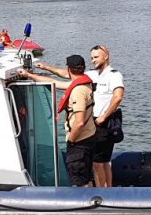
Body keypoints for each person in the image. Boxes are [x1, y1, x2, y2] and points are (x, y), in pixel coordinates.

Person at [35, 45, 124, 187]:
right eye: (92, 58)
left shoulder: (114, 75)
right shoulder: (92, 75)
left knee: (98, 163)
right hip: (94, 122)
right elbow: (66, 74)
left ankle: (103, 193)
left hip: (104, 121)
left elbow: (118, 97)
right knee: (103, 161)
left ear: (106, 56)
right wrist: (46, 67)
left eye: (96, 57)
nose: (93, 60)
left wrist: (104, 117)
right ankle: (108, 189)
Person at [19, 55, 96, 187]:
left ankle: (82, 203)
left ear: (69, 69)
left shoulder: (77, 91)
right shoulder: (85, 83)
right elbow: (53, 82)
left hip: (79, 141)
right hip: (89, 137)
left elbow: (79, 122)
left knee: (79, 180)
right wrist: (30, 75)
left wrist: (71, 140)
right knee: (86, 176)